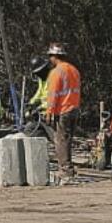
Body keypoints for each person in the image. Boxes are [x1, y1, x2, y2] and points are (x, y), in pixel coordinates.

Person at [44, 43, 81, 183]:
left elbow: (53, 94)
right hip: (74, 108)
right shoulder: (74, 70)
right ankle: (68, 167)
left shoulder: (56, 72)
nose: (50, 59)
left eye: (50, 56)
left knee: (61, 140)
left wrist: (49, 112)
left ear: (55, 57)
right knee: (68, 139)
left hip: (63, 110)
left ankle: (65, 170)